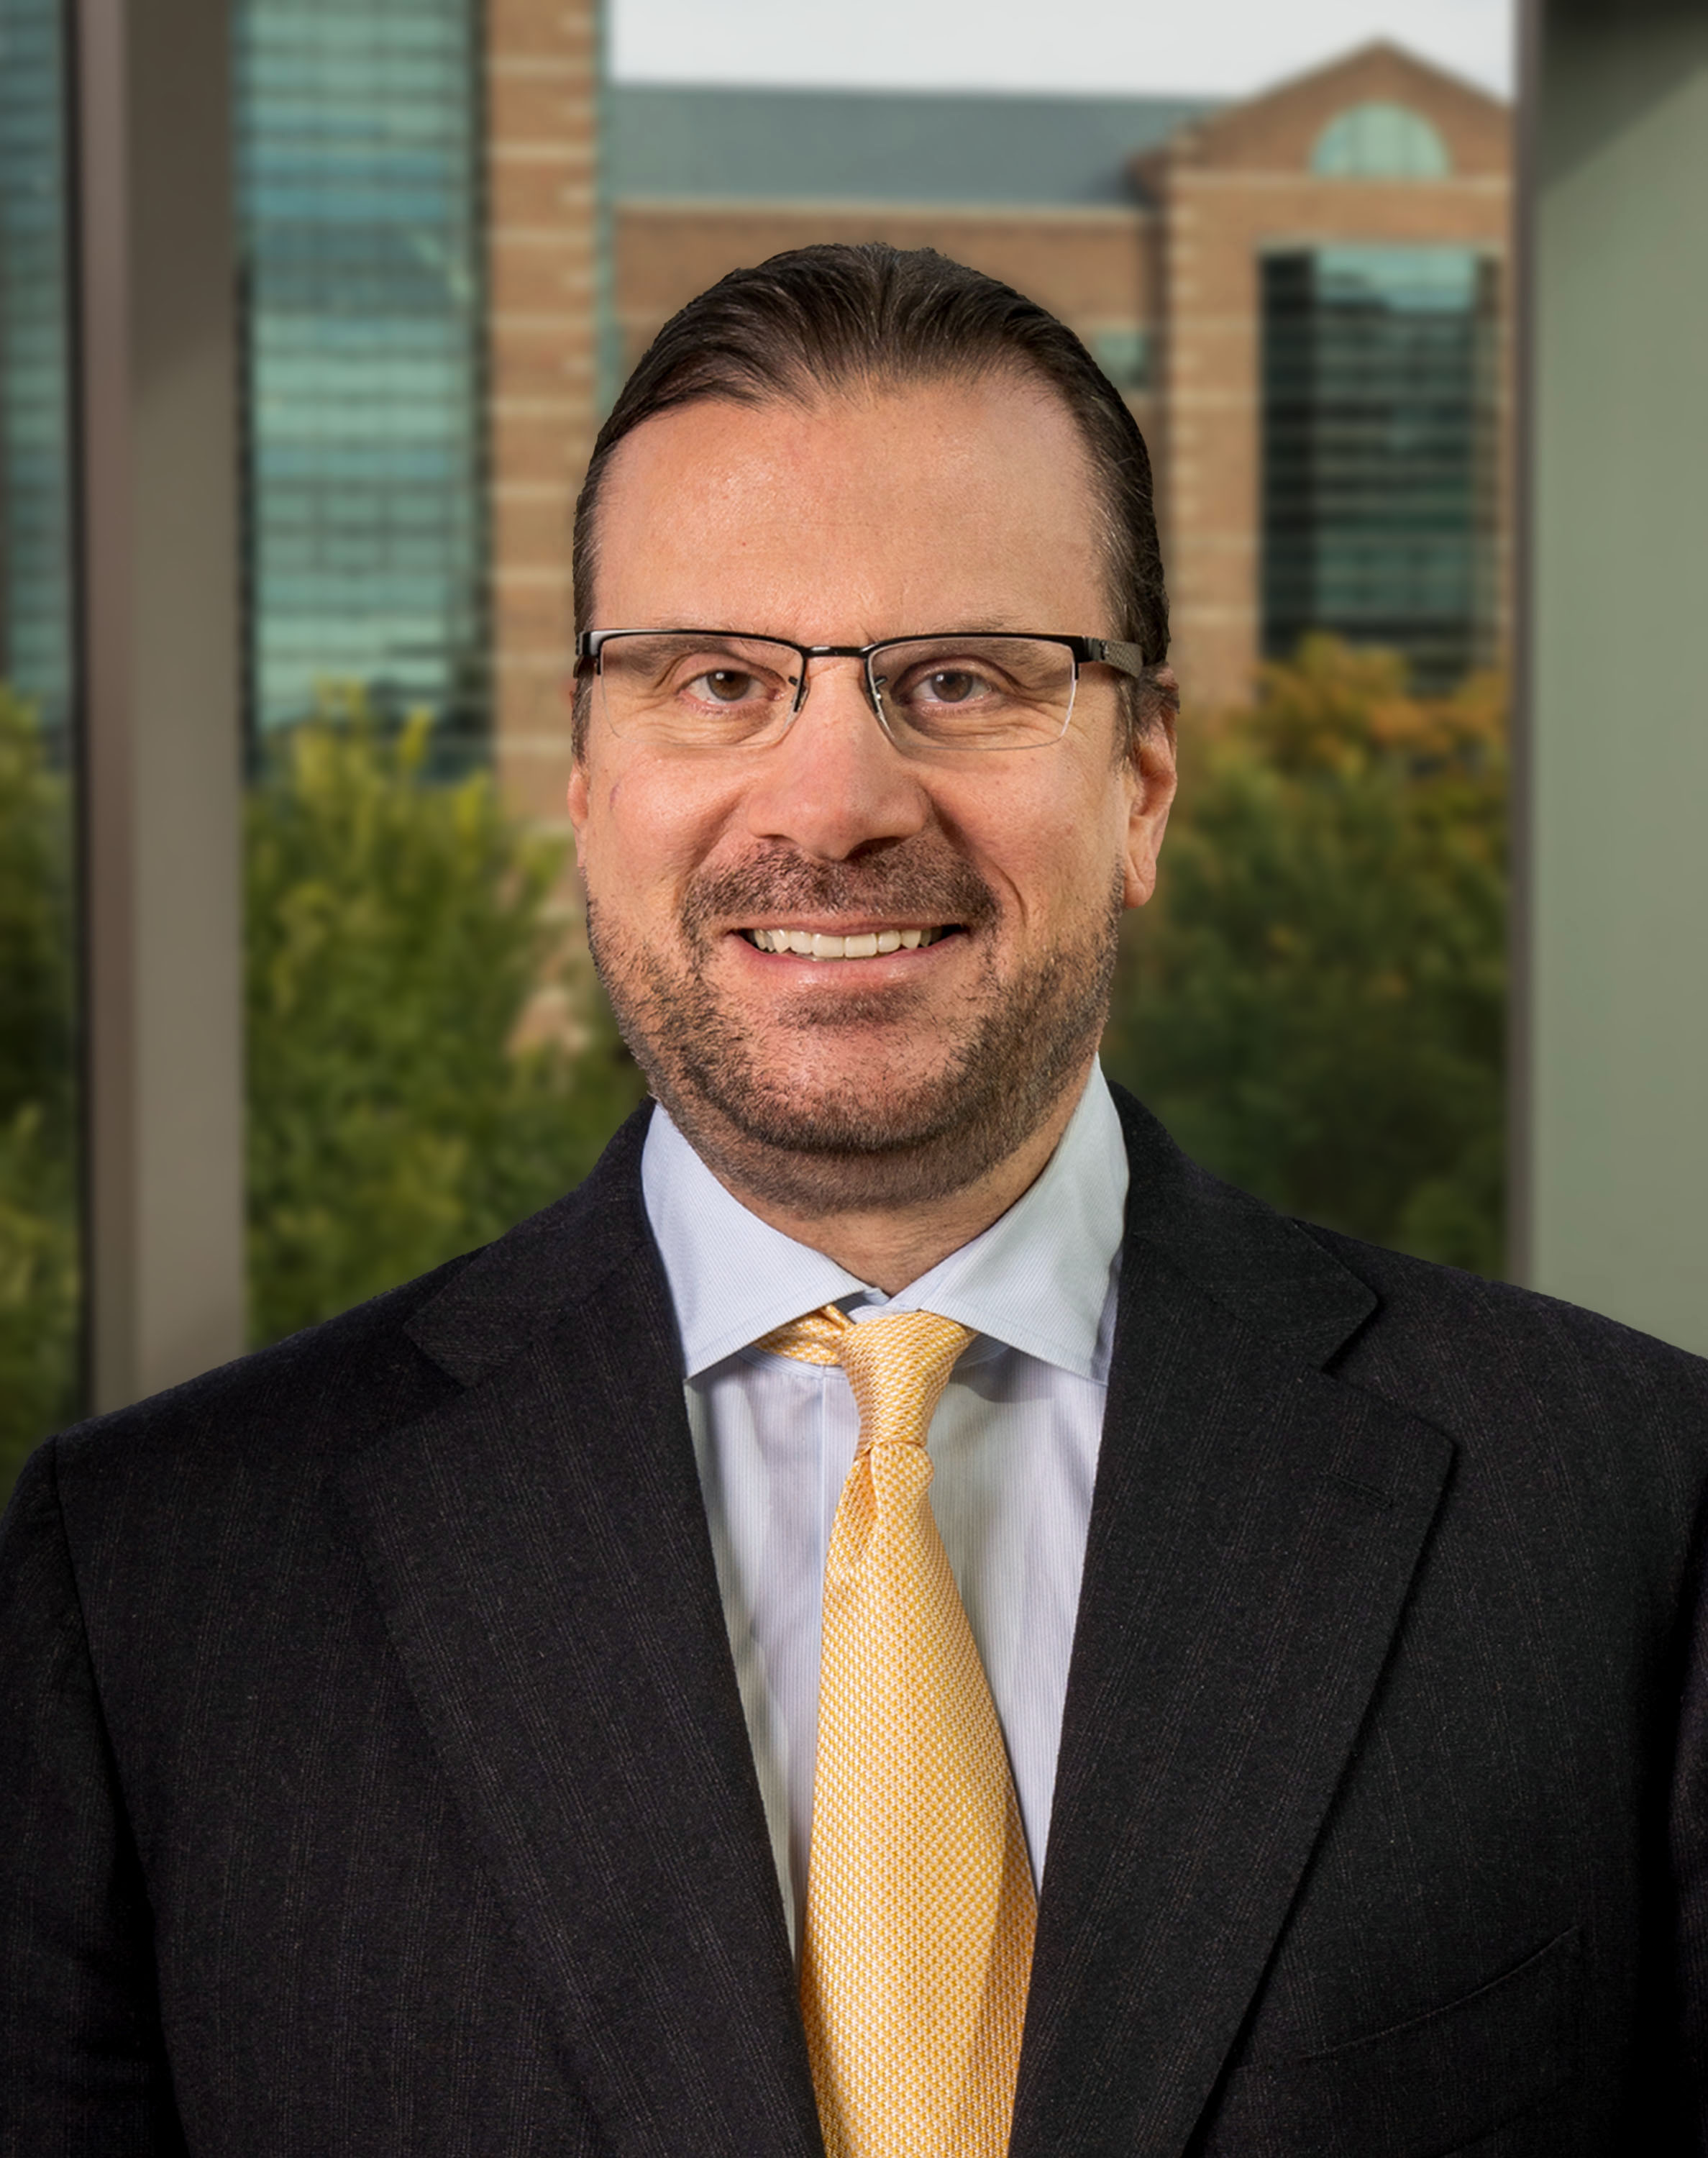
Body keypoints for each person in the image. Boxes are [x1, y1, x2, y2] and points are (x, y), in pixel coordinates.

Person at [3, 242, 1707, 2158]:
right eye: (718, 678)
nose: (832, 801)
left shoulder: (1627, 1516)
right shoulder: (158, 1583)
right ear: (584, 776)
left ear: (1142, 778)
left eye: (961, 678)